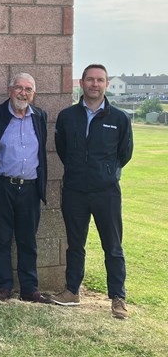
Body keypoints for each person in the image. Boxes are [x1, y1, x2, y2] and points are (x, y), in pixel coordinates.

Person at [51, 64, 133, 319]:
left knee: (113, 246)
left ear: (106, 84)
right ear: (82, 83)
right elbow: (63, 149)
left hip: (106, 192)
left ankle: (118, 298)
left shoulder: (119, 118)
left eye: (100, 80)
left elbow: (125, 153)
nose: (94, 84)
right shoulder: (67, 117)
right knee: (75, 244)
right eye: (90, 79)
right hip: (75, 191)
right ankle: (72, 291)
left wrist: (106, 172)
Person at [0, 73, 52, 304]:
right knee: (0, 239)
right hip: (2, 186)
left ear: (34, 94)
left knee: (27, 240)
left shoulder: (40, 117)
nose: (23, 93)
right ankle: (3, 287)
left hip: (30, 188)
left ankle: (29, 289)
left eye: (28, 89)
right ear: (10, 90)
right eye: (19, 88)